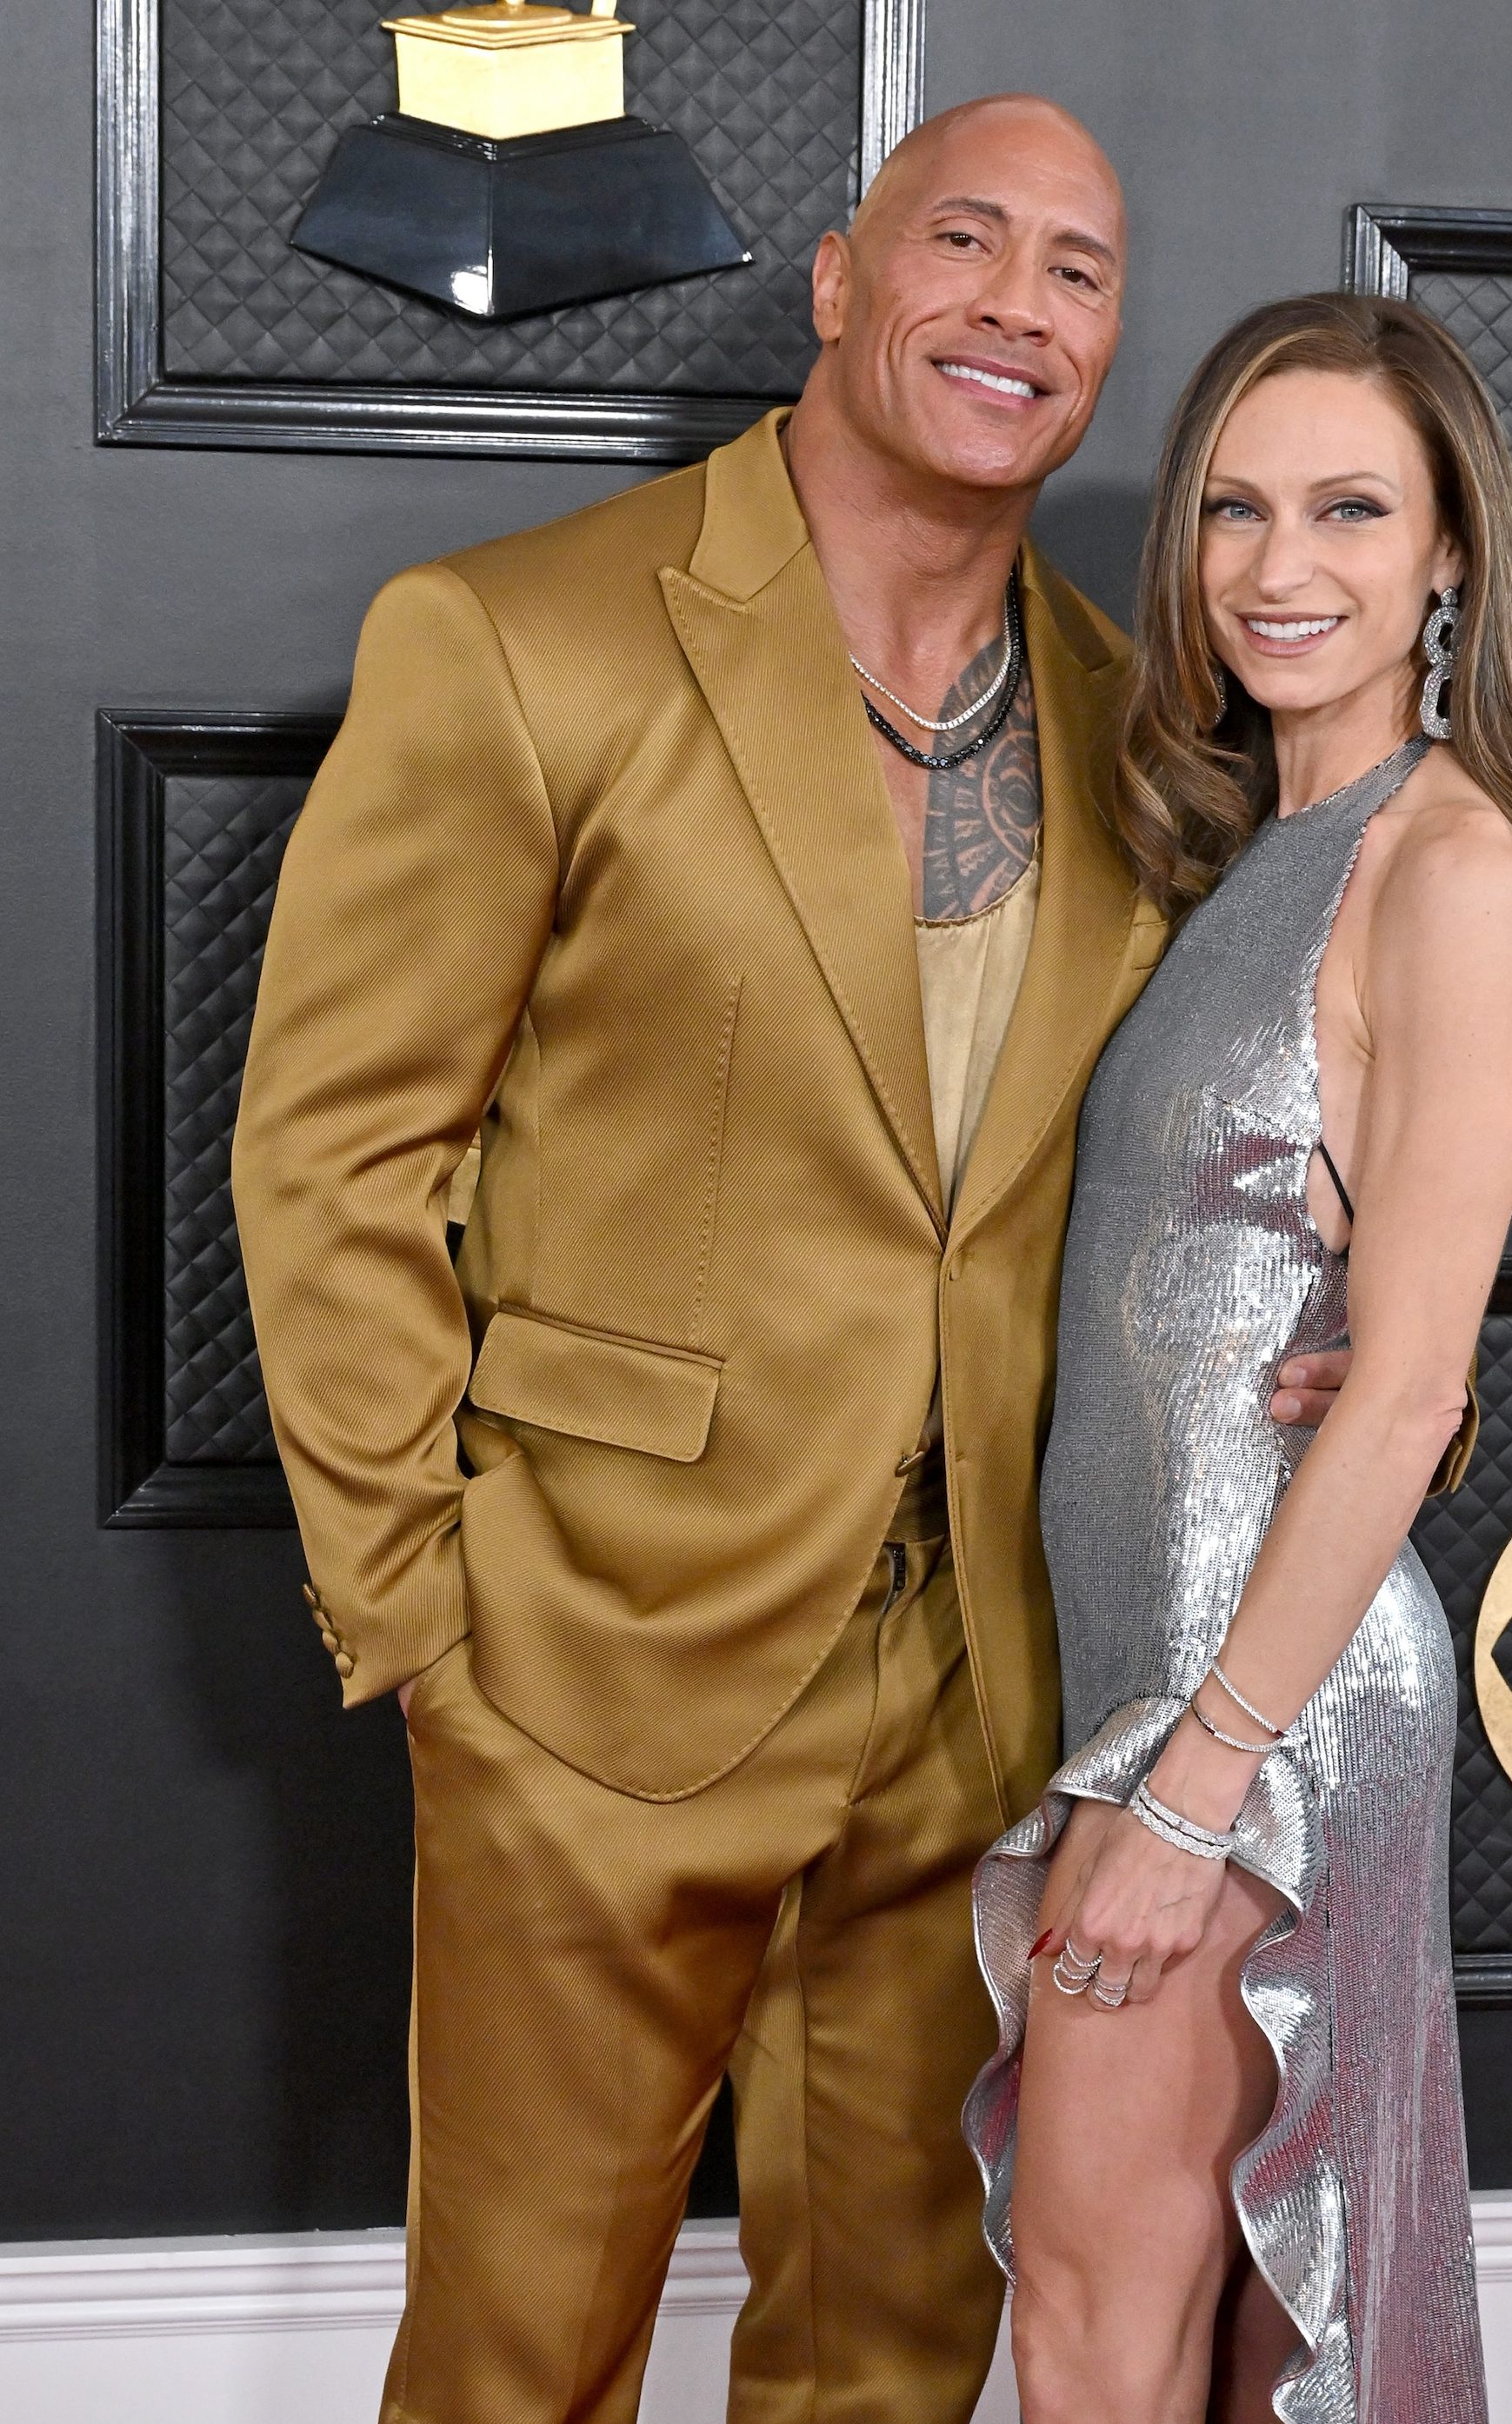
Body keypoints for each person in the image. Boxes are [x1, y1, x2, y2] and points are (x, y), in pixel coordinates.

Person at [231, 99, 1365, 2424]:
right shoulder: (515, 639)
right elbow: (336, 1152)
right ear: (842, 283)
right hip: (587, 1667)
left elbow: (1155, 1160)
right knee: (519, 2359)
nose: (1019, 307)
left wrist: (1298, 1337)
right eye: (966, 242)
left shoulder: (1133, 729)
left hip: (981, 1699)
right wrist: (427, 1620)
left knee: (886, 2358)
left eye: (1076, 271)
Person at [966, 292, 1512, 2424]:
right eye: (1233, 505)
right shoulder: (1249, 851)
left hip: (1248, 1725)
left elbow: (1406, 1383)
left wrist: (1191, 1789)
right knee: (1211, 2355)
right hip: (1196, 1685)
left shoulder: (1454, 858)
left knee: (1092, 2333)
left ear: (1449, 559)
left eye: (1347, 507)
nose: (1273, 563)